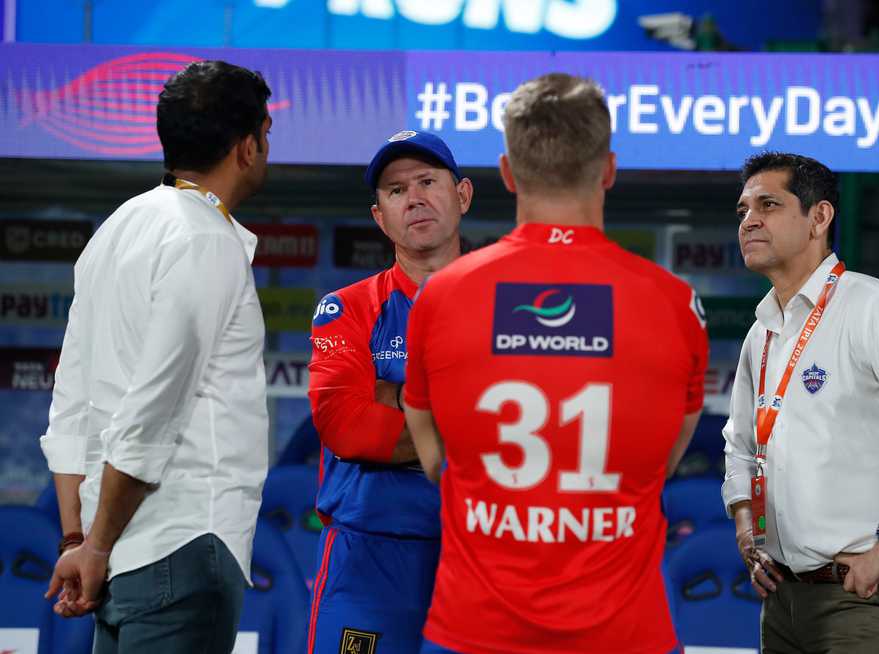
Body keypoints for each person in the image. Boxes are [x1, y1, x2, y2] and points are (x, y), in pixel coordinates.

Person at [403, 72, 708, 653]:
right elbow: (663, 462)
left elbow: (436, 459)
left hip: (474, 633)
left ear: (508, 172)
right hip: (625, 635)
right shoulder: (675, 304)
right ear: (609, 169)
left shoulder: (440, 296)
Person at [39, 60, 272, 653]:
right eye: (265, 133)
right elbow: (152, 415)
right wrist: (92, 546)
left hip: (116, 553)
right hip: (181, 544)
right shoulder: (205, 240)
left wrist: (78, 540)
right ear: (246, 148)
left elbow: (71, 407)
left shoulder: (115, 229)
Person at [722, 152, 879, 653]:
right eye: (743, 210)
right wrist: (745, 531)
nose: (749, 220)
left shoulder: (877, 308)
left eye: (769, 204)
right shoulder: (763, 332)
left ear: (819, 217)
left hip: (867, 594)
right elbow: (741, 443)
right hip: (784, 597)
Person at [306, 130, 473, 654]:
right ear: (380, 217)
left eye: (428, 181)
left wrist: (393, 393)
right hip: (368, 560)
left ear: (462, 195)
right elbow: (347, 427)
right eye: (397, 191)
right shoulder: (348, 307)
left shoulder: (508, 304)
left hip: (479, 558)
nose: (415, 198)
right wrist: (472, 420)